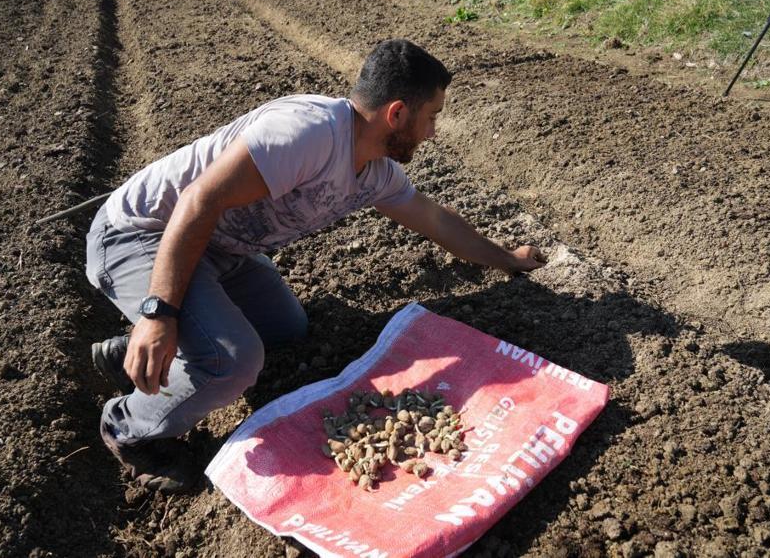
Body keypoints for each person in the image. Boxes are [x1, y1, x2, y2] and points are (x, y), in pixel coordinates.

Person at [85, 39, 546, 493]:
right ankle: (126, 427)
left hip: (221, 250)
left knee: (286, 328)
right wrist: (158, 313)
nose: (432, 133)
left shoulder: (376, 172)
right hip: (141, 235)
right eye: (431, 117)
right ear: (398, 113)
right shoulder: (305, 134)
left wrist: (507, 259)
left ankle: (143, 351)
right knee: (233, 360)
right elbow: (197, 201)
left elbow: (436, 220)